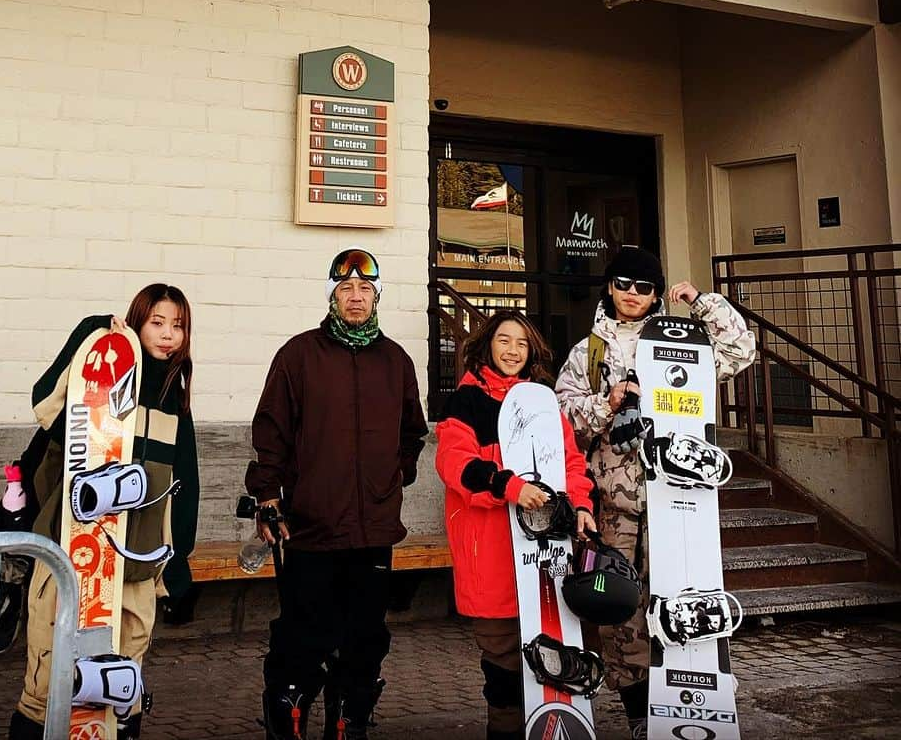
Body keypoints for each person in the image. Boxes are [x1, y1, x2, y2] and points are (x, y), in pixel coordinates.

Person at [555, 246, 755, 740]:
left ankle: (688, 704)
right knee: (622, 610)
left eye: (645, 287)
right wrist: (608, 404)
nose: (633, 294)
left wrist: (701, 302)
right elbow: (564, 414)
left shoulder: (683, 339)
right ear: (609, 286)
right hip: (617, 505)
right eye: (623, 283)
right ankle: (640, 713)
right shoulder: (590, 350)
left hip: (679, 500)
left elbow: (740, 352)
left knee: (679, 600)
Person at [246, 249, 428, 740]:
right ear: (332, 295)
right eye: (345, 289)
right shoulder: (299, 355)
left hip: (374, 530)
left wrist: (396, 474)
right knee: (304, 635)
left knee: (365, 637)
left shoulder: (395, 361)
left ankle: (350, 722)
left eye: (364, 290)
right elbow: (271, 433)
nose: (355, 297)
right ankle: (288, 718)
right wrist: (267, 496)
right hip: (310, 527)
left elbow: (414, 431)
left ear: (376, 296)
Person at [8, 284, 200, 740]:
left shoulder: (176, 399)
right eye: (157, 322)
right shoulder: (99, 379)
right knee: (48, 672)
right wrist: (96, 335)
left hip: (135, 562)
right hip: (71, 553)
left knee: (123, 676)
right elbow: (44, 406)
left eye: (178, 326)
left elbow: (184, 485)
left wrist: (177, 564)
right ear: (137, 322)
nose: (168, 334)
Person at [435, 308, 596, 740]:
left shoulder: (542, 401)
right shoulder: (466, 400)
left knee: (552, 654)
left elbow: (571, 462)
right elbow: (454, 463)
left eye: (522, 343)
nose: (512, 350)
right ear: (487, 344)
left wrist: (581, 504)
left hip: (545, 553)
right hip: (489, 551)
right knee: (503, 662)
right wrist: (509, 486)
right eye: (504, 340)